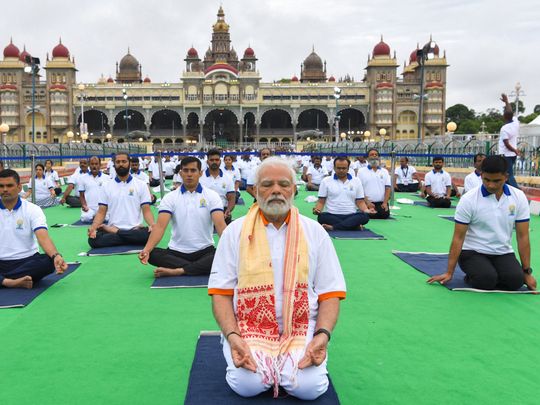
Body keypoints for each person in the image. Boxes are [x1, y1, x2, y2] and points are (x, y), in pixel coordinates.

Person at [208, 157, 346, 400]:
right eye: (267, 185)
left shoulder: (314, 232)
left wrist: (322, 336)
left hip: (302, 328)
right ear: (254, 190)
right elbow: (221, 293)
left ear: (294, 189)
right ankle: (254, 357)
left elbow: (330, 292)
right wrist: (233, 336)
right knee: (248, 385)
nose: (275, 191)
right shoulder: (235, 232)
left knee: (308, 389)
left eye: (283, 184)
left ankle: (284, 366)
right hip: (247, 327)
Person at [428, 156, 536, 291]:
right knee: (486, 280)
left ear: (506, 177)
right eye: (486, 180)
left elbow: (523, 236)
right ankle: (473, 275)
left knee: (515, 281)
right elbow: (458, 237)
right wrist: (449, 272)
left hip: (502, 251)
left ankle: (495, 273)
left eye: (497, 181)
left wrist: (526, 272)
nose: (491, 185)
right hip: (472, 251)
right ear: (482, 175)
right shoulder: (469, 199)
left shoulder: (518, 197)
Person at [138, 156, 227, 278]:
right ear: (180, 173)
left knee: (222, 254)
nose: (189, 174)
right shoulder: (170, 197)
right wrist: (146, 250)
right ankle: (197, 268)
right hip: (176, 252)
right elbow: (159, 227)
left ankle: (178, 271)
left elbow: (220, 225)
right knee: (153, 254)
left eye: (193, 170)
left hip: (204, 250)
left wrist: (231, 247)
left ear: (200, 173)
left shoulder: (212, 196)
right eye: (185, 170)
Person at [0, 169, 68, 289]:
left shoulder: (32, 209)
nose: (5, 189)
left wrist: (56, 255)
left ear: (19, 187)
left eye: (9, 185)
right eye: (1, 186)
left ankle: (4, 280)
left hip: (27, 260)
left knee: (48, 261)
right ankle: (9, 282)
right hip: (1, 262)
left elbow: (43, 237)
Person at [87, 152, 155, 248]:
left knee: (151, 234)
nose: (121, 164)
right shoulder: (106, 186)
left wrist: (152, 225)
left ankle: (120, 234)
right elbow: (102, 212)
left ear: (129, 164)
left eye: (124, 161)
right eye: (118, 162)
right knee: (93, 240)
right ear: (114, 164)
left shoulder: (141, 185)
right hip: (114, 229)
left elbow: (146, 210)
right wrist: (93, 228)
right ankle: (129, 238)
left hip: (134, 229)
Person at [314, 156, 374, 230]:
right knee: (322, 217)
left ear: (348, 169)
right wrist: (317, 210)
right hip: (332, 215)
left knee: (364, 217)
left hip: (351, 215)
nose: (341, 170)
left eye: (344, 168)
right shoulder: (326, 181)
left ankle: (333, 227)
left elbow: (360, 202)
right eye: (338, 168)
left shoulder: (356, 181)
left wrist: (367, 210)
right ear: (334, 168)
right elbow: (321, 202)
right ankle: (353, 226)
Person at [200, 149, 236, 224]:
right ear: (207, 162)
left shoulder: (228, 177)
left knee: (226, 233)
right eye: (211, 160)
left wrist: (228, 210)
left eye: (216, 160)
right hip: (203, 209)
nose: (214, 162)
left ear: (220, 161)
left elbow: (231, 198)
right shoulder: (200, 177)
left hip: (222, 210)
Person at [357, 149, 391, 219]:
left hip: (381, 203)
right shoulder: (361, 171)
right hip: (366, 202)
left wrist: (385, 203)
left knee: (384, 215)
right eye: (372, 154)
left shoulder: (384, 171)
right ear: (367, 158)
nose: (374, 156)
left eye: (376, 154)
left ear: (378, 157)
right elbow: (359, 189)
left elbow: (388, 188)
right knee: (365, 215)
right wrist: (367, 202)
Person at [78, 156, 110, 223]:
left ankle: (96, 218)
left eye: (96, 164)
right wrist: (84, 205)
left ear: (100, 165)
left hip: (103, 208)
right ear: (89, 165)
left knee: (107, 218)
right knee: (85, 218)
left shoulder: (107, 178)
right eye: (92, 164)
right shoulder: (82, 178)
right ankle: (96, 217)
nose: (94, 166)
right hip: (89, 208)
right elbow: (81, 195)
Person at [498, 93, 520, 188]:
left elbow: (506, 143)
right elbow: (510, 111)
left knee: (508, 175)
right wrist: (506, 102)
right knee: (505, 174)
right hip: (512, 155)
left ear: (504, 117)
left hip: (505, 154)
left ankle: (518, 192)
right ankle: (508, 192)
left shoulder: (504, 128)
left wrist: (514, 150)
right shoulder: (515, 122)